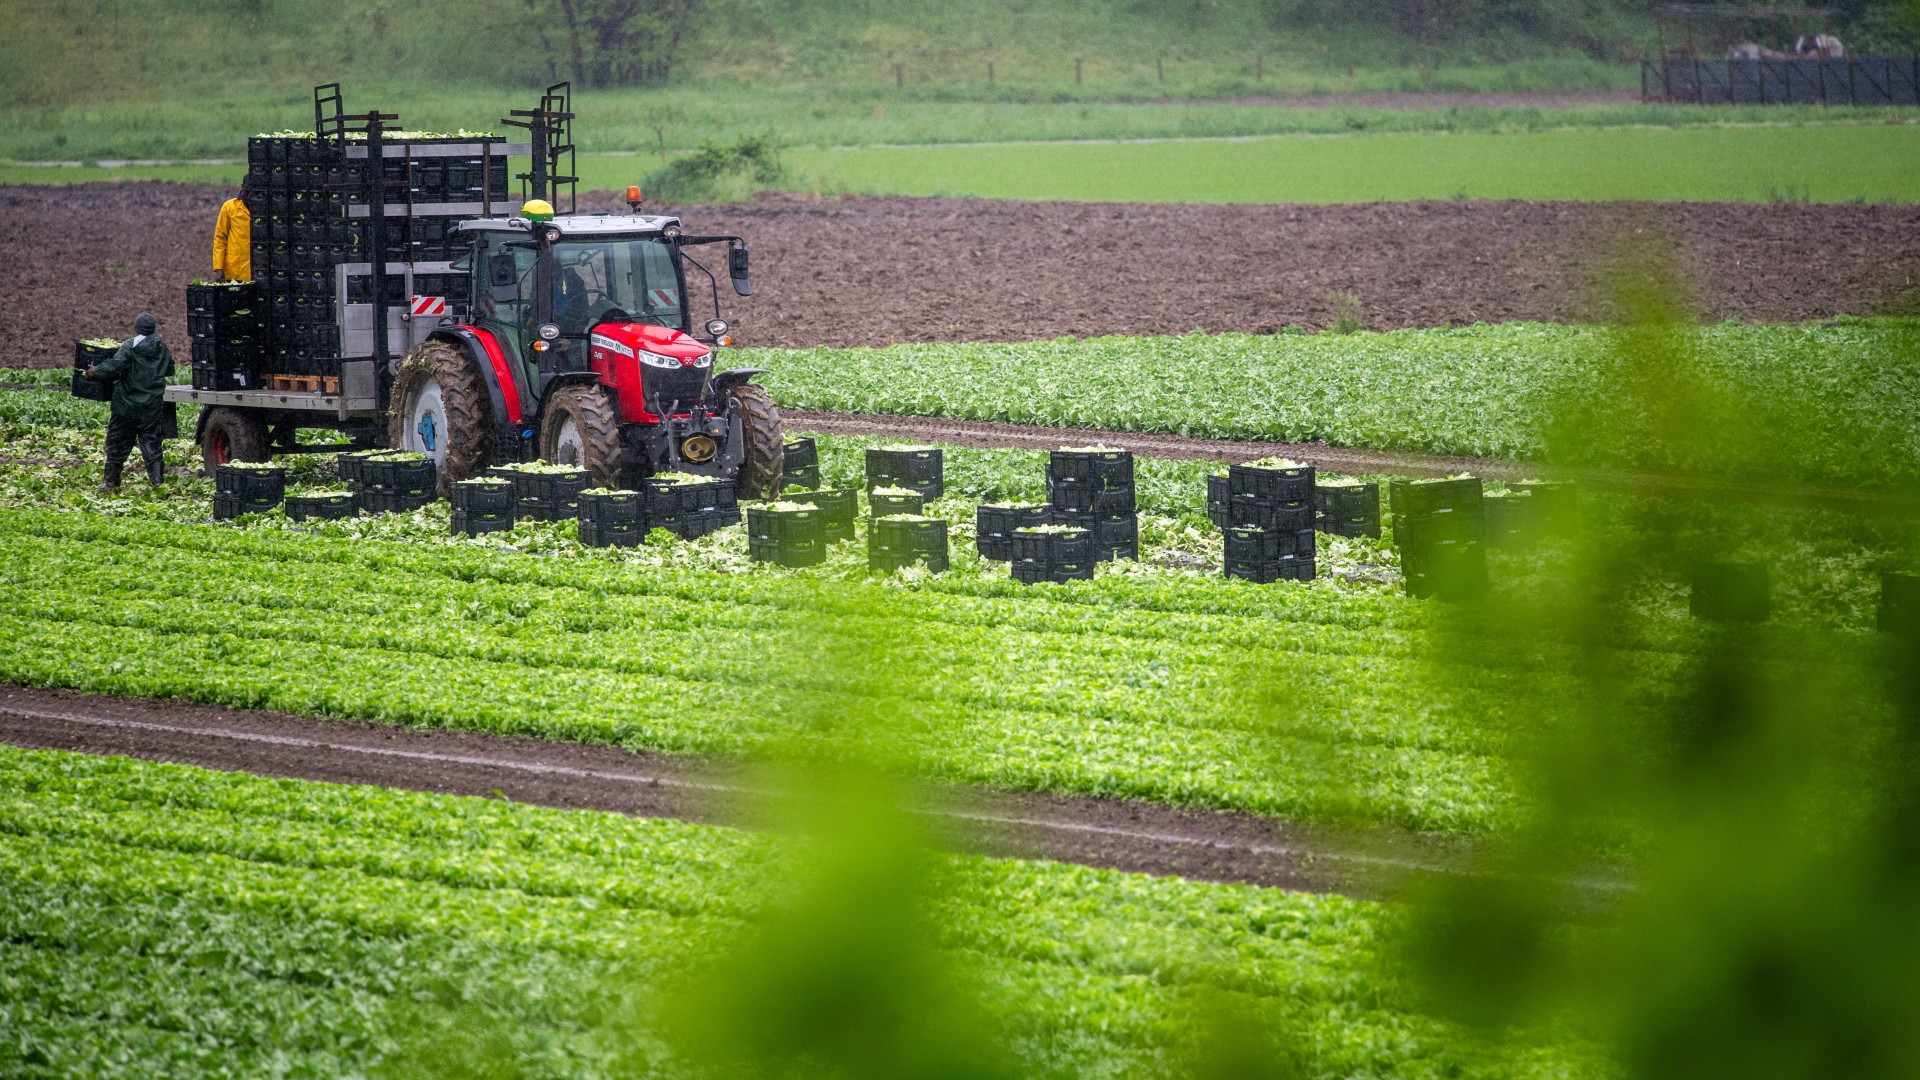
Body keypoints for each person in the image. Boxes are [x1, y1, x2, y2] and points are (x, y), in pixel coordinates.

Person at [88, 312, 176, 492]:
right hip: (151, 407)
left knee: (117, 443)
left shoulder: (130, 346)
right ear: (153, 328)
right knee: (152, 444)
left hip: (126, 406)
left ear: (136, 328)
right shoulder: (161, 347)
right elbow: (170, 369)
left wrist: (95, 371)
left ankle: (111, 483)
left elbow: (114, 366)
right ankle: (158, 483)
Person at [212, 176, 253, 282]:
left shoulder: (265, 210)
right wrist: (218, 267)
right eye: (248, 191)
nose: (250, 195)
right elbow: (220, 238)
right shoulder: (229, 207)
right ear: (242, 187)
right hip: (235, 272)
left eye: (254, 192)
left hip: (258, 273)